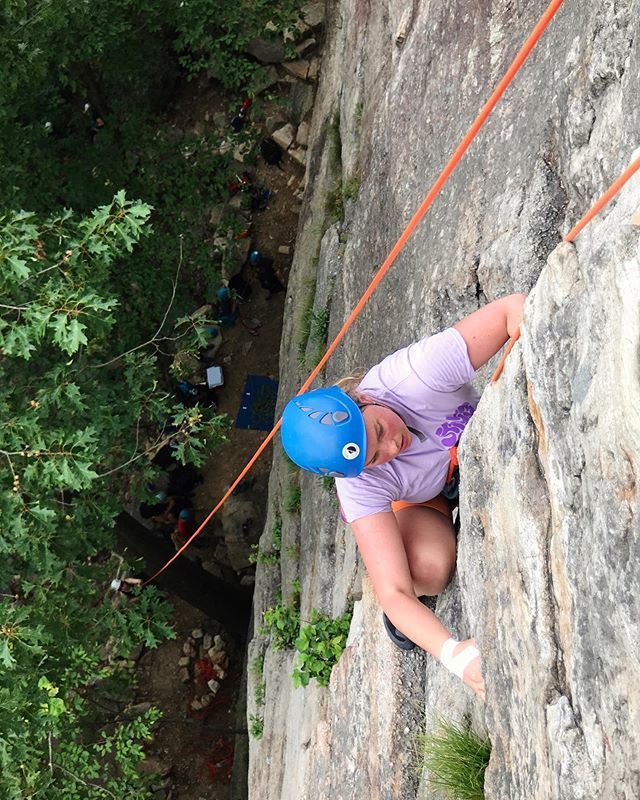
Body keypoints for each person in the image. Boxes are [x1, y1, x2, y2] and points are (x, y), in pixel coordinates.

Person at [280, 294, 526, 700]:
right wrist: (455, 655)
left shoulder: (412, 376)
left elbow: (509, 310)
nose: (391, 445)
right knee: (426, 571)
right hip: (425, 497)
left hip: (457, 462)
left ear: (363, 400)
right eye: (374, 458)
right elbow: (392, 592)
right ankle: (407, 579)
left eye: (377, 429)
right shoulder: (358, 485)